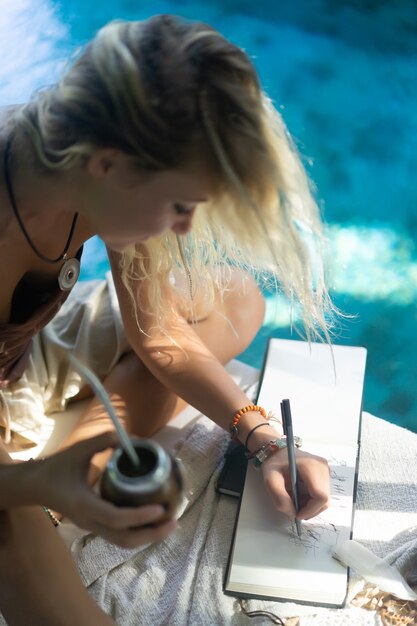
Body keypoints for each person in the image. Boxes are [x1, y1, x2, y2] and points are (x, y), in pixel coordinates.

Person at [0, 14, 332, 625]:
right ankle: (45, 491)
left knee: (234, 298)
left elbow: (160, 335)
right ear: (108, 164)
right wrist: (30, 488)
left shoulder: (88, 164)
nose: (184, 226)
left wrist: (264, 443)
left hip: (25, 353)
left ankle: (66, 464)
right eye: (180, 205)